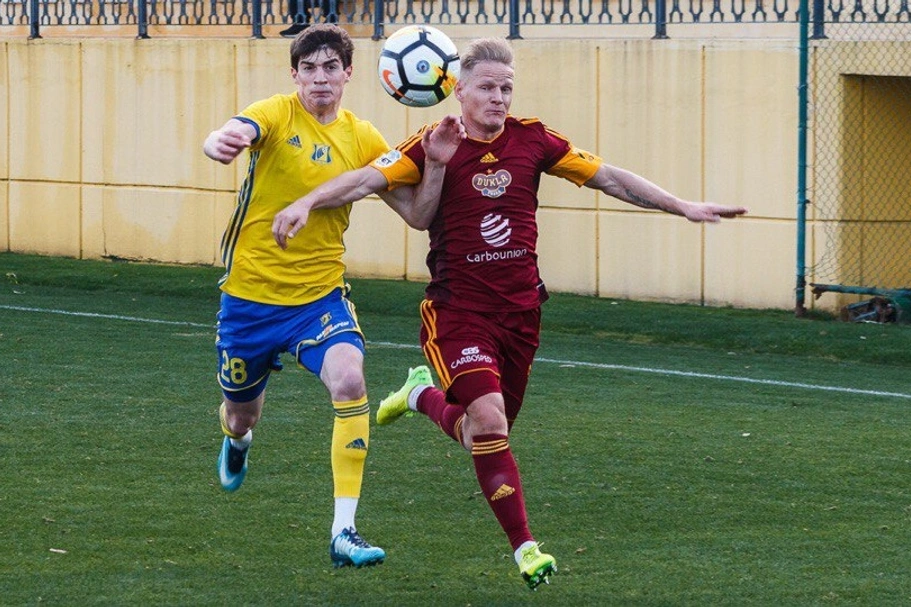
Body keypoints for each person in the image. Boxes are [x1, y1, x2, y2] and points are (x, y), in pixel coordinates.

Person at [271, 37, 748, 588]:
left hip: (521, 314)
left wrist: (681, 205)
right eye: (487, 88)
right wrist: (306, 201)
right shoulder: (431, 144)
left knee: (480, 435)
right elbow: (363, 180)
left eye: (506, 88)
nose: (499, 98)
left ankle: (420, 396)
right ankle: (525, 548)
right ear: (458, 90)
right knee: (492, 422)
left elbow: (609, 176)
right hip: (457, 313)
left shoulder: (533, 139)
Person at [201, 24, 455, 569]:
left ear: (349, 74)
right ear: (295, 75)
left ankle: (344, 531)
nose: (320, 78)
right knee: (242, 415)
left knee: (349, 380)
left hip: (320, 297)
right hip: (249, 301)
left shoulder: (363, 138)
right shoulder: (275, 113)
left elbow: (418, 214)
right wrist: (219, 140)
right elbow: (239, 128)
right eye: (310, 68)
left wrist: (434, 164)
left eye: (331, 67)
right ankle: (238, 441)